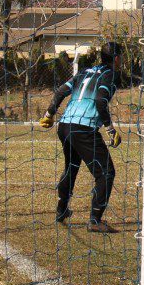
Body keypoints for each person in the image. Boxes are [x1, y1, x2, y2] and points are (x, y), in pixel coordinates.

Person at [40, 42, 123, 233]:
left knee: (71, 166)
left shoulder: (85, 71)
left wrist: (49, 113)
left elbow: (61, 91)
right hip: (83, 128)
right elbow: (100, 100)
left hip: (65, 125)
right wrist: (110, 129)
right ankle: (95, 220)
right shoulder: (110, 75)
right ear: (117, 58)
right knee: (106, 173)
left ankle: (61, 210)